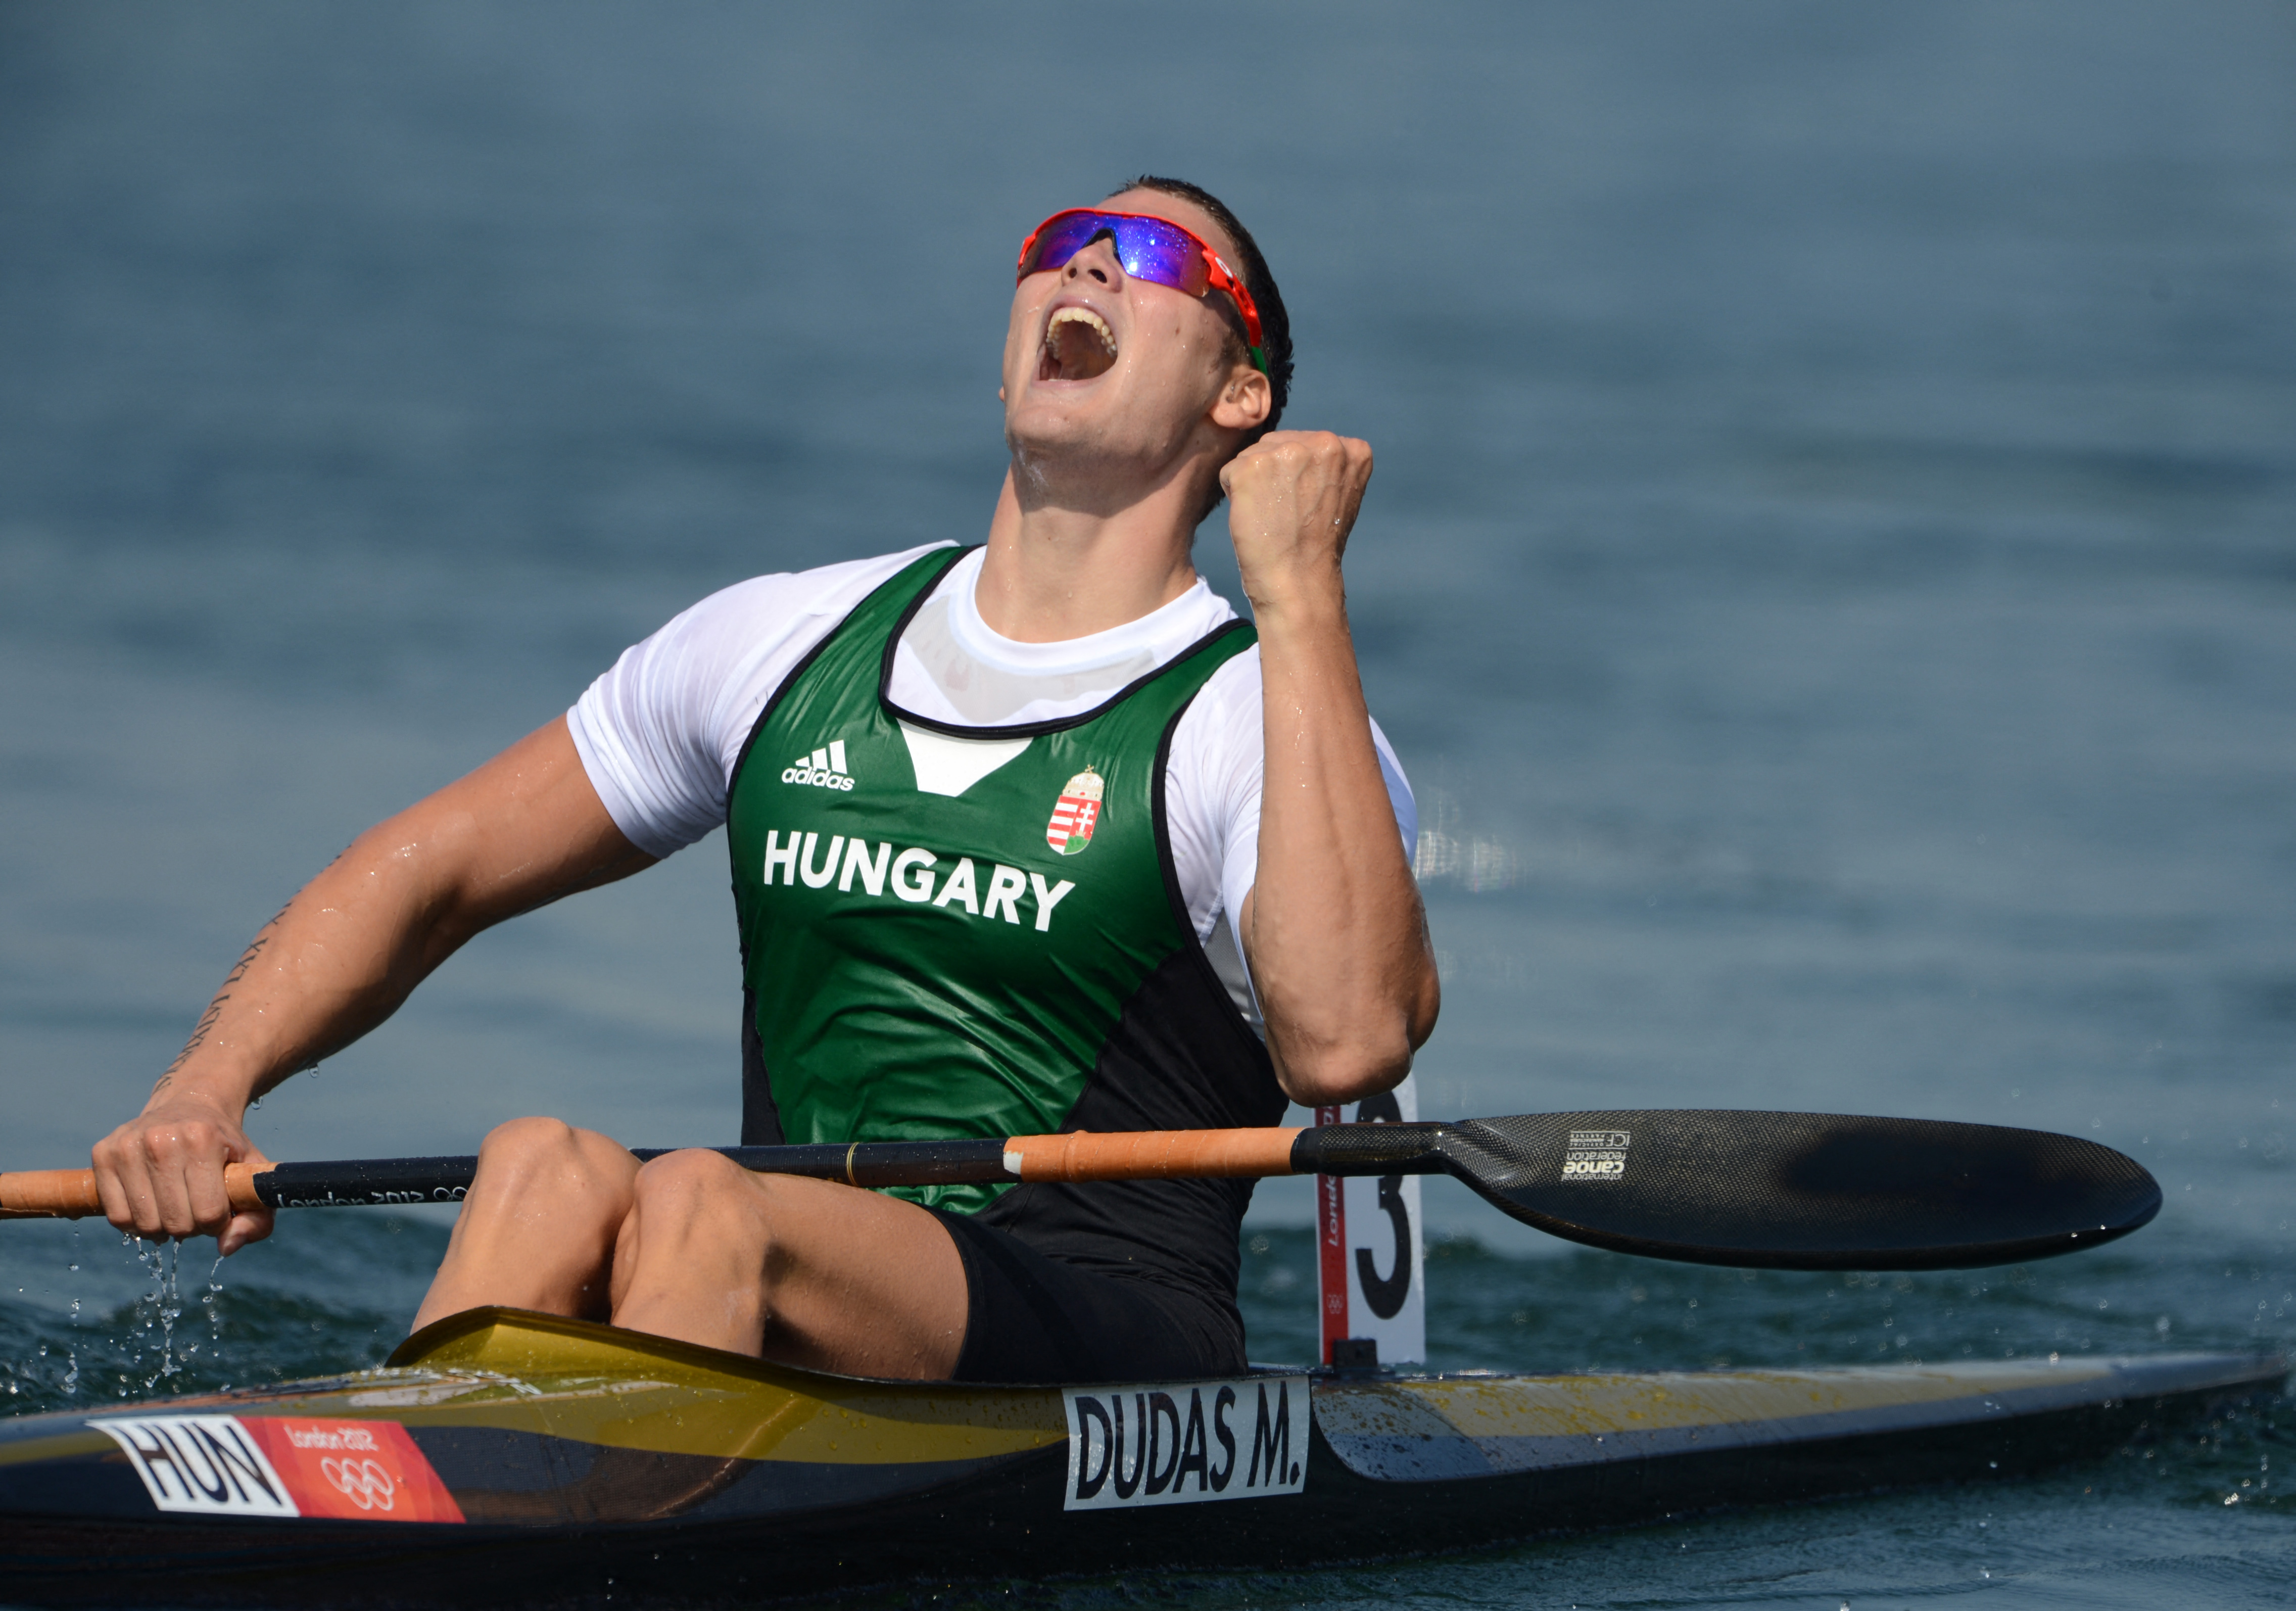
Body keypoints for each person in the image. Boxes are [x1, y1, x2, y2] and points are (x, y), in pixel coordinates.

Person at [91, 176, 1440, 1384]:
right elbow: (433, 872)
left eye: (1143, 253)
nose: (1085, 267)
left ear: (1240, 395)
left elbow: (1349, 1042)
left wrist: (1301, 585)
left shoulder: (1254, 718)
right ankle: (386, 1513)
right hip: (771, 1265)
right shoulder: (785, 641)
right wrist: (206, 1091)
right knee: (540, 1166)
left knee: (698, 1200)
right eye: (1060, 241)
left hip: (1111, 1326)